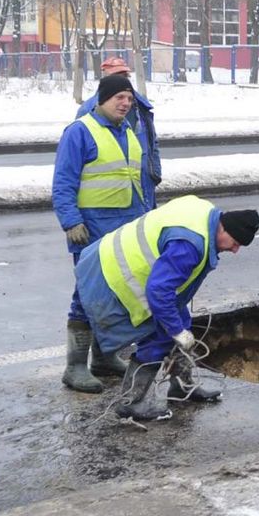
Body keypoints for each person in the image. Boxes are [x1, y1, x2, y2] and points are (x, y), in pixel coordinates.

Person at [74, 195, 259, 421]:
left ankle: (181, 386)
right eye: (235, 242)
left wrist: (180, 328)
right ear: (223, 229)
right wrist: (175, 331)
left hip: (110, 257)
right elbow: (159, 291)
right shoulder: (190, 245)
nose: (235, 250)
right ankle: (131, 402)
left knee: (182, 322)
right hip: (112, 275)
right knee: (161, 335)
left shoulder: (204, 211)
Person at [53, 74, 151, 393]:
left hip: (126, 229)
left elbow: (138, 182)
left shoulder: (129, 132)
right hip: (91, 230)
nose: (125, 103)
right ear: (102, 99)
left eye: (129, 98)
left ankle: (104, 358)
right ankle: (75, 367)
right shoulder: (80, 132)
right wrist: (71, 221)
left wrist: (145, 222)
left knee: (117, 294)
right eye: (119, 98)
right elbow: (63, 182)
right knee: (86, 296)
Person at [78, 56, 161, 209]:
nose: (121, 81)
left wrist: (154, 172)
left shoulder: (140, 107)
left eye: (124, 76)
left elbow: (152, 142)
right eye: (116, 77)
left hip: (142, 181)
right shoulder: (88, 110)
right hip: (109, 197)